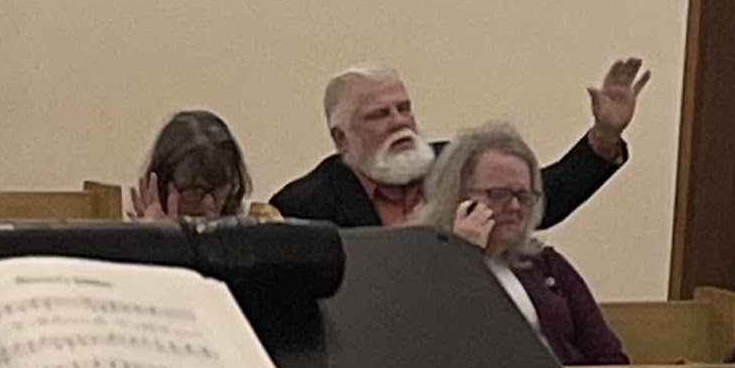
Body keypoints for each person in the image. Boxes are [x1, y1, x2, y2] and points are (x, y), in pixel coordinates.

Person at [270, 57, 648, 229]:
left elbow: (542, 199)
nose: (399, 122)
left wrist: (605, 136)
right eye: (380, 115)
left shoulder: (456, 162)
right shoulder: (304, 206)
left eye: (404, 108)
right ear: (341, 138)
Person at [414, 121, 628, 366]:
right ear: (458, 195)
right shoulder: (423, 268)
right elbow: (435, 350)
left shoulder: (545, 264)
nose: (515, 206)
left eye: (523, 196)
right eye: (499, 194)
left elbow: (608, 355)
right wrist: (463, 258)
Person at [129, 109, 280, 220]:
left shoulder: (255, 222)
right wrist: (158, 238)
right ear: (163, 187)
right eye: (194, 192)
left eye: (219, 190)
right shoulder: (141, 230)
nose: (209, 205)